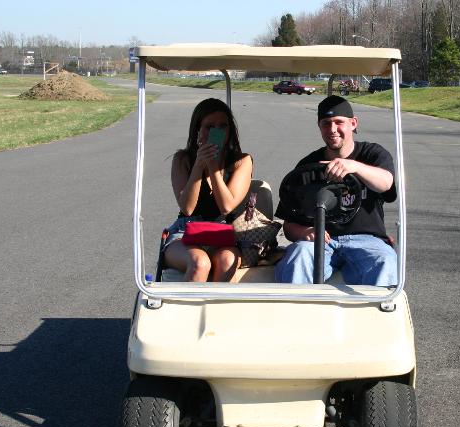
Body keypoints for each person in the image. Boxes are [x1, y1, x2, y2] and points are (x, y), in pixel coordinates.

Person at [274, 95, 397, 286]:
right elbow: (289, 226)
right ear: (319, 127)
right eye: (326, 123)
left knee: (385, 259)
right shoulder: (308, 165)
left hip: (367, 241)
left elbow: (386, 183)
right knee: (298, 255)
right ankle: (298, 305)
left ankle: (375, 306)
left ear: (353, 123)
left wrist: (354, 166)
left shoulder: (372, 154)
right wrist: (305, 232)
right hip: (320, 242)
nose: (332, 129)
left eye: (339, 122)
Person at [163, 98, 252, 281]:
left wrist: (213, 166)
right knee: (200, 263)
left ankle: (215, 301)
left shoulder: (241, 161)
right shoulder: (182, 159)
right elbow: (187, 208)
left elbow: (226, 206)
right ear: (198, 130)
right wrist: (199, 165)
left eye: (223, 126)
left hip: (223, 232)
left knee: (227, 261)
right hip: (186, 230)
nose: (217, 132)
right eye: (210, 127)